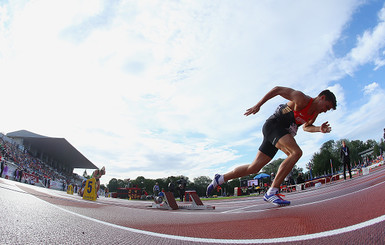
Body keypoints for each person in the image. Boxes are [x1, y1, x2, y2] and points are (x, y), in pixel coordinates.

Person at [206, 86, 337, 206]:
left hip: (280, 133)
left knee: (254, 167)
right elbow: (278, 89)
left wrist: (319, 128)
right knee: (296, 153)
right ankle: (272, 192)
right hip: (274, 125)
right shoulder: (301, 98)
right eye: (327, 106)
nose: (325, 111)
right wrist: (258, 105)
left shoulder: (314, 114)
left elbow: (307, 127)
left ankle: (221, 178)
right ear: (322, 97)